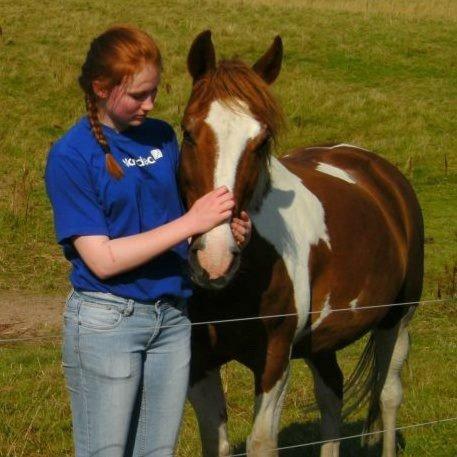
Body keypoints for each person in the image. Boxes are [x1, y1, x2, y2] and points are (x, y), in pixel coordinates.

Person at [44, 25, 251, 457]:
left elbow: (182, 215)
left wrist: (223, 228)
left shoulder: (161, 137)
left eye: (154, 92)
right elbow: (101, 260)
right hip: (108, 322)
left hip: (172, 319)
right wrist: (190, 222)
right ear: (101, 89)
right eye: (138, 95)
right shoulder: (71, 155)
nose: (150, 104)